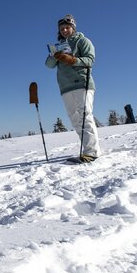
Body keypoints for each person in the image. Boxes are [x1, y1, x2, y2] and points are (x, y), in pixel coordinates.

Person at [45, 14, 101, 162]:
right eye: (62, 28)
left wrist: (72, 59)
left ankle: (92, 152)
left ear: (73, 28)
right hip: (65, 86)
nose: (64, 30)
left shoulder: (82, 41)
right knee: (75, 119)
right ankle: (87, 149)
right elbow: (49, 65)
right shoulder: (59, 46)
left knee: (84, 116)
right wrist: (54, 56)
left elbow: (90, 60)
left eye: (67, 27)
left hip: (82, 82)